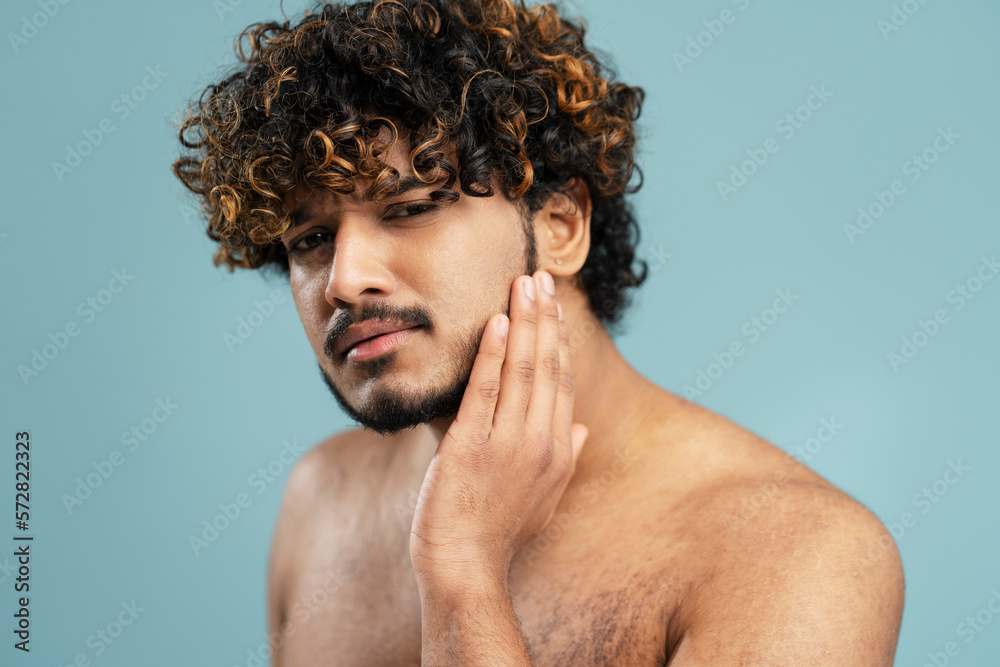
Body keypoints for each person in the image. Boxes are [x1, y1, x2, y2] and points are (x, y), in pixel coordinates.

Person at [172, 0, 905, 664]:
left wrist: (463, 570)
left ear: (561, 225)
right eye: (309, 239)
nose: (344, 277)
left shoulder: (799, 555)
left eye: (409, 207)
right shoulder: (321, 500)